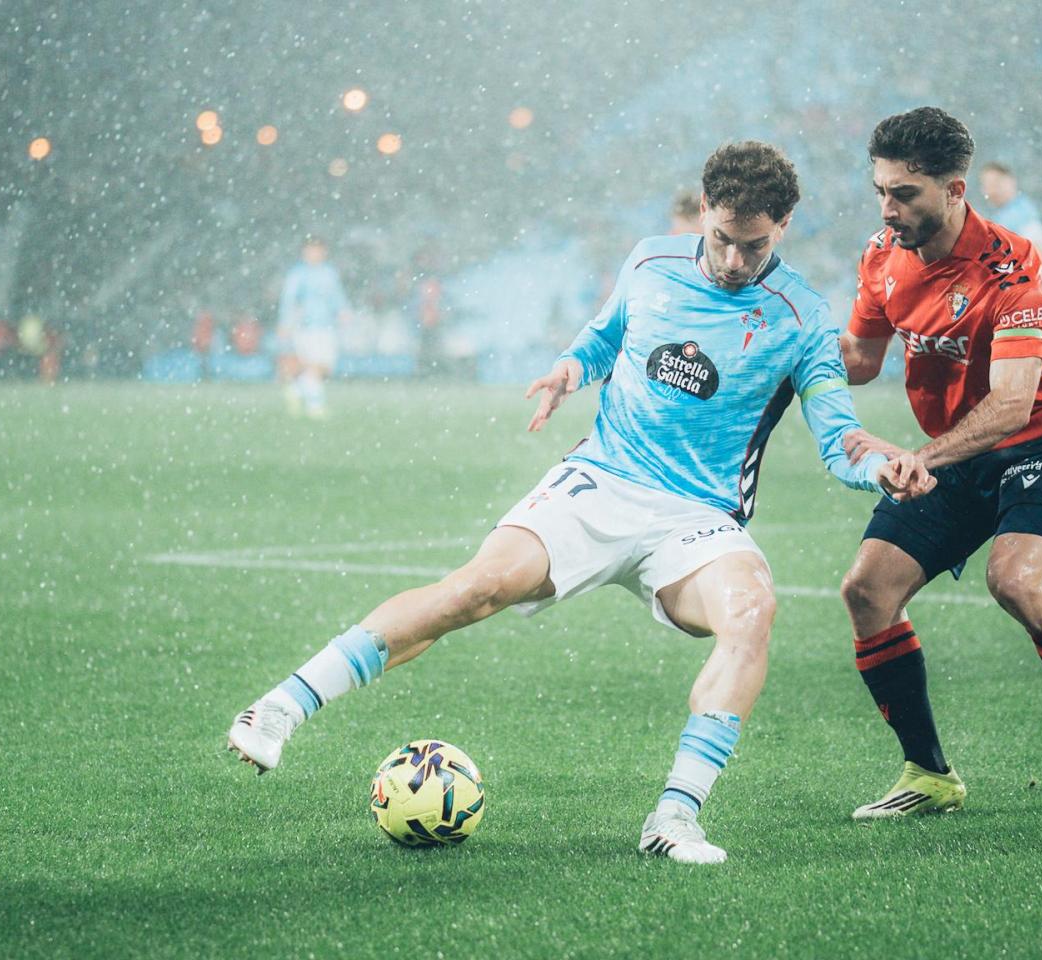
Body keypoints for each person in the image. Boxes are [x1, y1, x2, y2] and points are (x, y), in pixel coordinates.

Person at [228, 141, 934, 864]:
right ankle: (281, 707)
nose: (732, 259)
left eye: (753, 245)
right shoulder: (651, 262)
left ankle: (674, 817)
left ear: (783, 225)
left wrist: (880, 469)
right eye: (722, 237)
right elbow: (605, 337)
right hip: (601, 479)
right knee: (475, 589)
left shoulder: (802, 316)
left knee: (751, 612)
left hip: (697, 518)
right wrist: (571, 367)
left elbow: (838, 437)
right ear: (702, 209)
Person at [836, 107, 1042, 822]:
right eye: (880, 191)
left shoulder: (1012, 267)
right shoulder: (882, 255)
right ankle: (929, 773)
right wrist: (783, 355)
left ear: (955, 189)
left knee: (1015, 580)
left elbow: (1010, 405)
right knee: (867, 592)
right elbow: (860, 360)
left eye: (904, 194)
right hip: (956, 452)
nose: (887, 209)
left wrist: (920, 457)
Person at [277, 238, 349, 418]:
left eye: (318, 250)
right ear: (305, 252)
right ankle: (315, 406)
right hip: (306, 327)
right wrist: (285, 323)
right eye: (311, 250)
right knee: (314, 365)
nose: (314, 254)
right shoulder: (298, 274)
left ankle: (296, 390)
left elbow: (336, 296)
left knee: (324, 367)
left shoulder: (329, 273)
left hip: (327, 326)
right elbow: (289, 300)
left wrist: (343, 311)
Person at [979, 162, 1042, 264]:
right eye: (987, 186)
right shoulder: (1000, 215)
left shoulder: (1021, 214)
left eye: (996, 183)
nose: (991, 190)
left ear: (1011, 181)